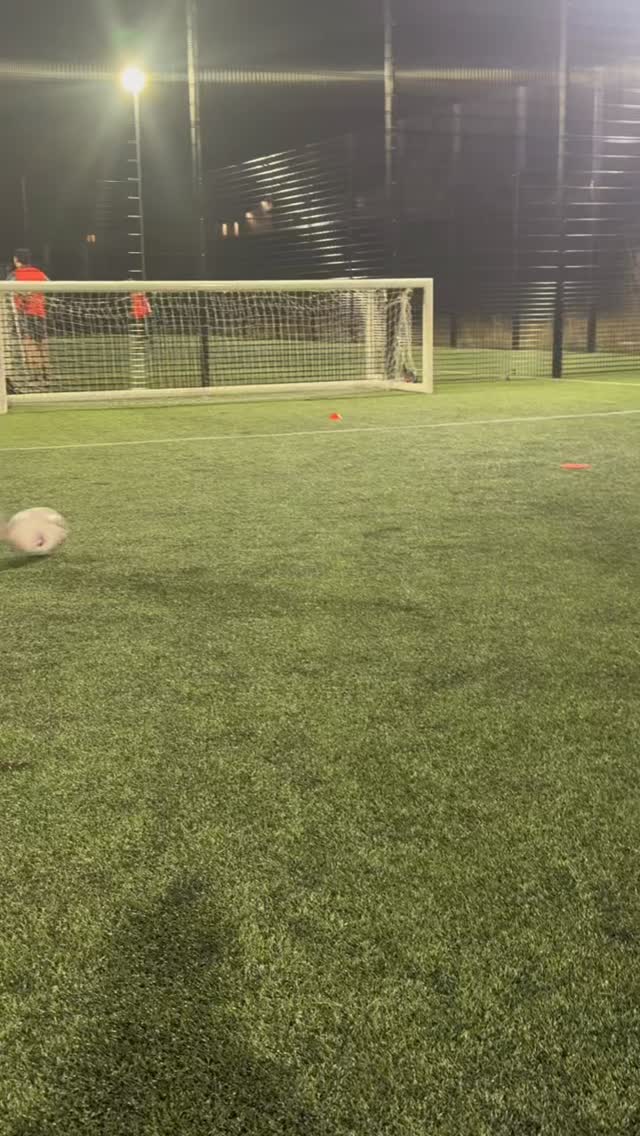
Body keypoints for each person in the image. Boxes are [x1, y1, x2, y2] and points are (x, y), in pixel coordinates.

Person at [7, 249, 50, 387]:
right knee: (42, 344)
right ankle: (46, 375)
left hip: (25, 313)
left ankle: (35, 376)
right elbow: (49, 285)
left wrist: (23, 295)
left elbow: (8, 290)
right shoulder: (39, 273)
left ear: (16, 259)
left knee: (29, 344)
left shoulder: (14, 275)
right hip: (40, 313)